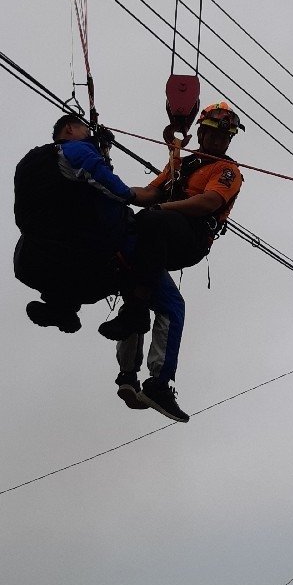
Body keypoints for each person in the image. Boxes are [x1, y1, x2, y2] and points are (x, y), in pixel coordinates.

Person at [100, 103, 245, 423]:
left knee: (150, 222)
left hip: (189, 236)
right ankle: (131, 377)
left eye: (225, 137)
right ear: (203, 132)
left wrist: (165, 210)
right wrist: (113, 191)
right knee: (136, 268)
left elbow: (210, 201)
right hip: (160, 233)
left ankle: (136, 308)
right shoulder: (185, 163)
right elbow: (150, 193)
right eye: (214, 134)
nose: (219, 141)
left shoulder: (226, 170)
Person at [13, 110, 137, 332]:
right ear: (69, 129)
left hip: (33, 260)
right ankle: (137, 309)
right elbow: (110, 186)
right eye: (85, 130)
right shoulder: (75, 150)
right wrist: (137, 196)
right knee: (131, 229)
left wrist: (103, 151)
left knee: (66, 255)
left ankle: (60, 308)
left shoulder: (33, 161)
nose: (88, 135)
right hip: (85, 260)